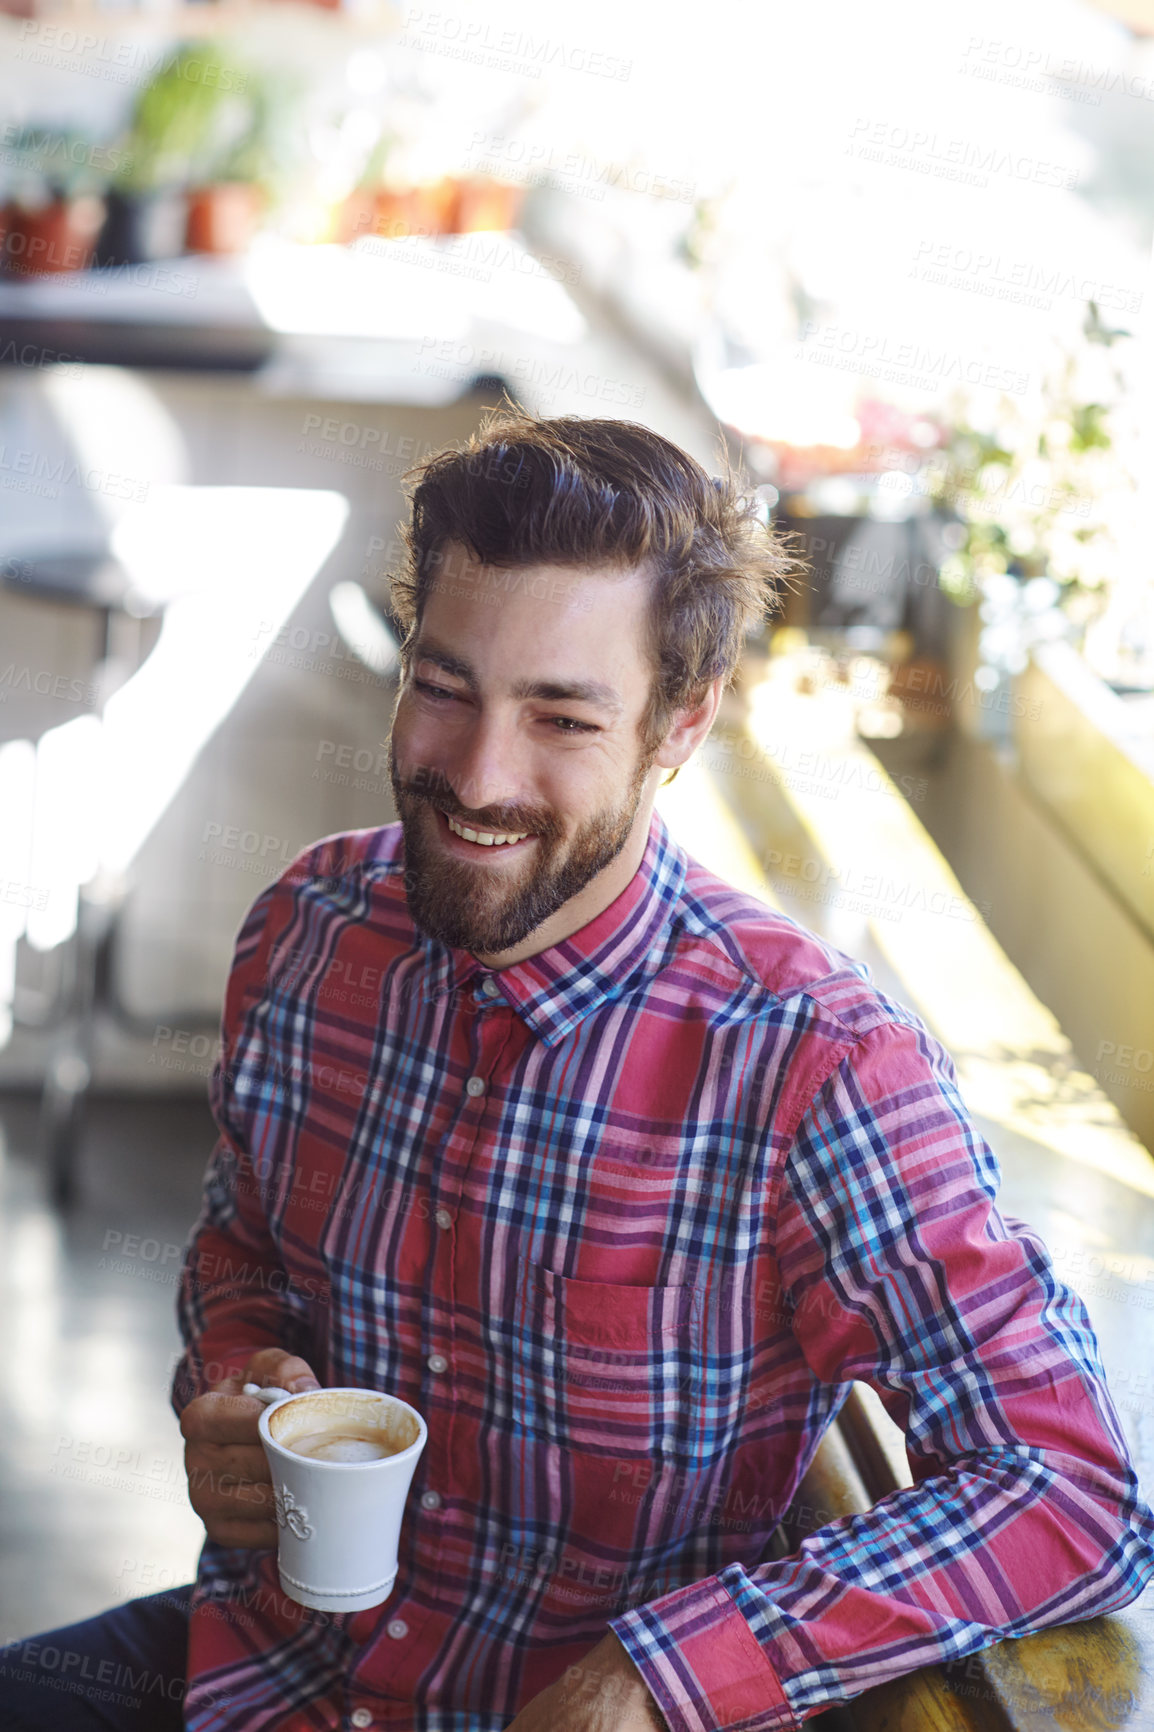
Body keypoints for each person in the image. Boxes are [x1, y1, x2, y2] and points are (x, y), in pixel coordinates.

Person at [4, 409, 1152, 1732]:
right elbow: (243, 1244)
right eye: (443, 688)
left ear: (677, 722)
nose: (478, 775)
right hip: (273, 1677)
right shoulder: (310, 933)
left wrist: (660, 1676)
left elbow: (1069, 1486)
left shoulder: (813, 1063)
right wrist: (243, 1370)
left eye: (560, 717)